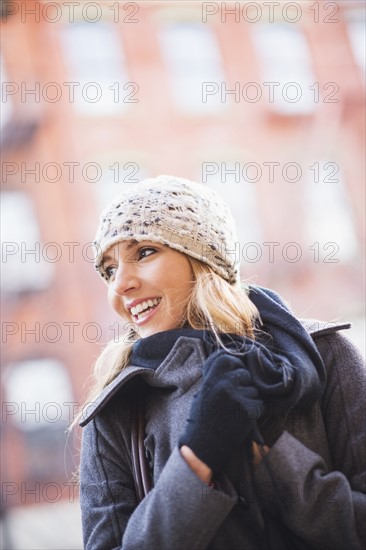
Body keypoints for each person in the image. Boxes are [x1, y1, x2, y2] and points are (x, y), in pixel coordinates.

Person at [77, 175, 365, 550]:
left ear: (203, 256)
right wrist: (197, 457)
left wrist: (267, 449)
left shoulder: (325, 355)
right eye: (109, 270)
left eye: (144, 252)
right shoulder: (116, 411)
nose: (120, 286)